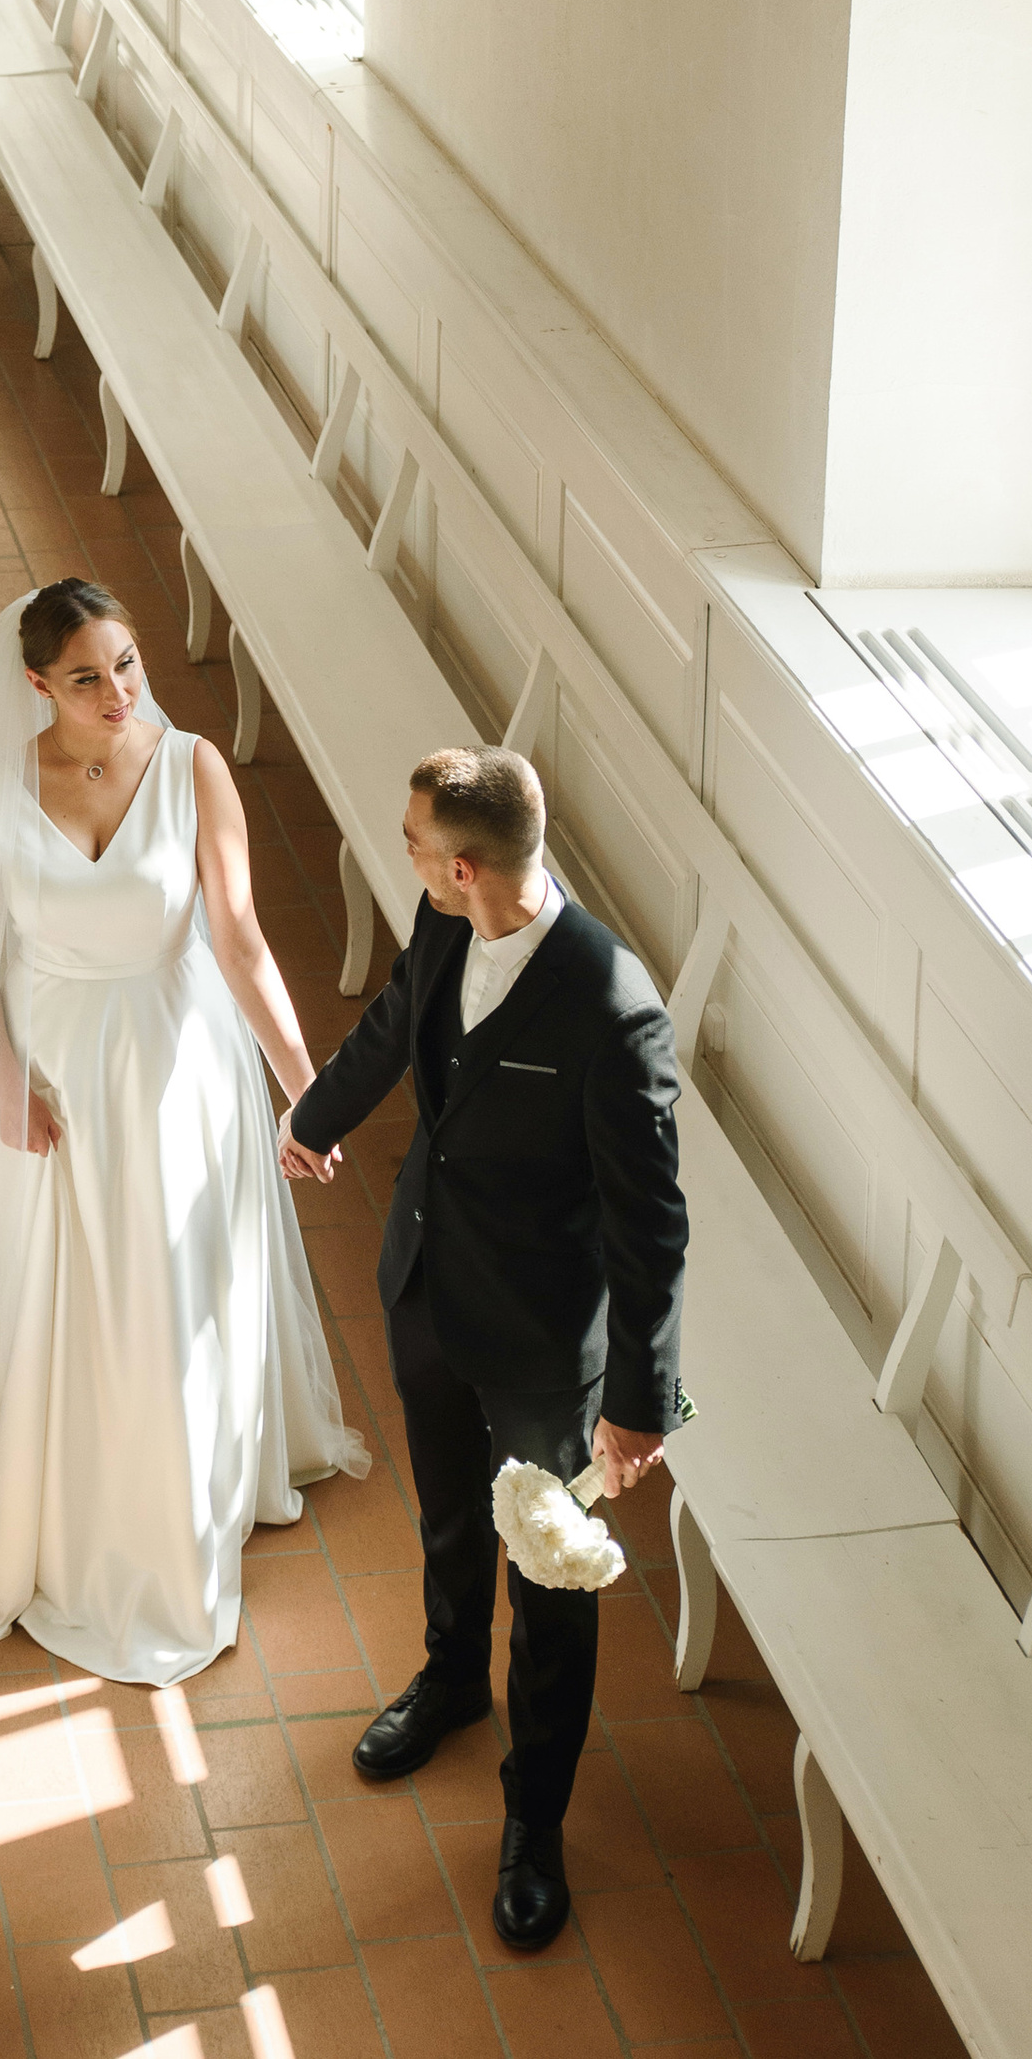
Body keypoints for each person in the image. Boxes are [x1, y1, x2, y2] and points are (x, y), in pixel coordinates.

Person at [0, 577, 367, 1685]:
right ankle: (69, 1494)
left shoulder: (190, 769)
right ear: (35, 685)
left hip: (174, 1065)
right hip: (51, 1070)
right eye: (86, 677)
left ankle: (180, 1497)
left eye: (127, 664)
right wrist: (4, 1082)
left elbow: (237, 940)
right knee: (68, 1294)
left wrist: (305, 1090)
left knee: (167, 1287)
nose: (117, 691)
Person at [282, 745, 688, 1952]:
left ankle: (534, 1820)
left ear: (464, 865)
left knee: (551, 1579)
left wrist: (639, 1401)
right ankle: (453, 1678)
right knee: (451, 1516)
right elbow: (398, 1019)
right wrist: (313, 1115)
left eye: (414, 843)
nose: (404, 856)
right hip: (425, 1289)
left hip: (539, 1345)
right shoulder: (444, 916)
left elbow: (649, 1220)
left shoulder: (612, 1009)